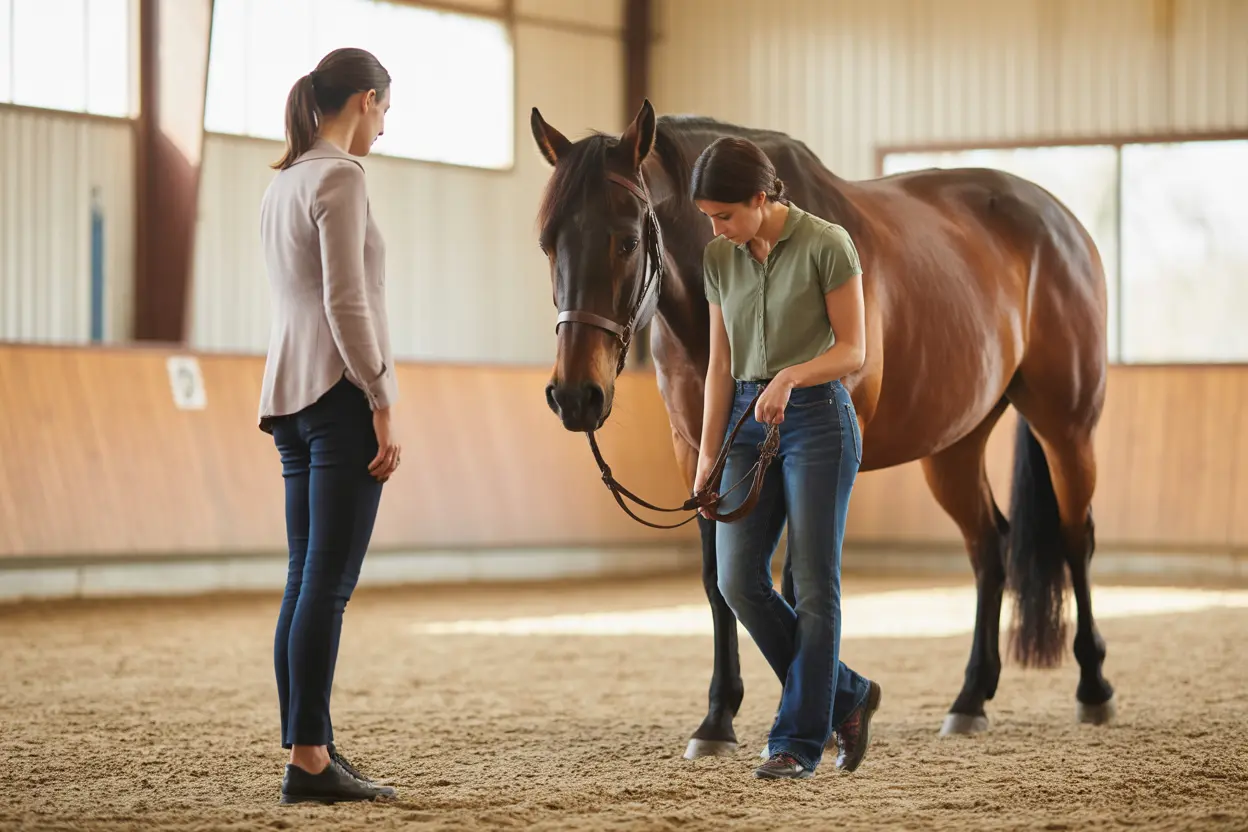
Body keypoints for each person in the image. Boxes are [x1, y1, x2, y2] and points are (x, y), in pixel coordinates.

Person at [691, 137, 883, 780]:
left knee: (815, 587)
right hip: (744, 422)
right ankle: (848, 694)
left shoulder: (829, 243)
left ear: (760, 197)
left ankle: (796, 743)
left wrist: (791, 377)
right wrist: (707, 457)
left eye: (724, 214)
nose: (715, 228)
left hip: (818, 421)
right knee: (737, 579)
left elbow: (853, 350)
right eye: (708, 217)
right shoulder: (719, 257)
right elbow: (719, 365)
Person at [257, 46, 401, 805]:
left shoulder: (283, 180)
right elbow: (348, 302)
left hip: (286, 394)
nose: (383, 127)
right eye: (385, 111)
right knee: (328, 585)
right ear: (367, 100)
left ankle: (306, 742)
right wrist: (381, 397)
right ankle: (310, 759)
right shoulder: (341, 178)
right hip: (339, 394)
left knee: (303, 579)